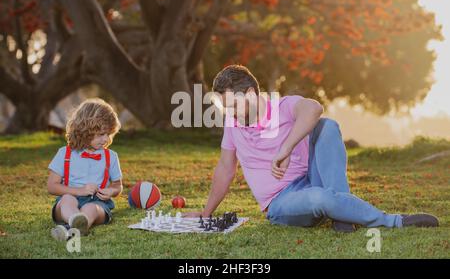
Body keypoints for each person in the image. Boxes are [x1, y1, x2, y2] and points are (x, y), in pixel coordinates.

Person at [184, 65, 439, 232]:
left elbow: (314, 109)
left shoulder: (283, 106)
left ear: (250, 94)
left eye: (233, 105)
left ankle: (342, 218)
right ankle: (393, 221)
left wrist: (285, 148)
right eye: (226, 107)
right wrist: (206, 213)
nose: (230, 113)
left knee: (327, 126)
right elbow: (225, 169)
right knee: (320, 197)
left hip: (310, 180)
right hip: (282, 203)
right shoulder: (233, 123)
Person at [47, 98, 123, 240]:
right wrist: (79, 191)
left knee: (92, 209)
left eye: (109, 134)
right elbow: (51, 186)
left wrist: (111, 191)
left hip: (97, 203)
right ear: (84, 130)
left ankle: (71, 229)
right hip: (67, 203)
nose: (106, 139)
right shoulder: (65, 154)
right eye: (101, 134)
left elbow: (118, 186)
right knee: (68, 200)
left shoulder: (110, 156)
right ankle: (75, 222)